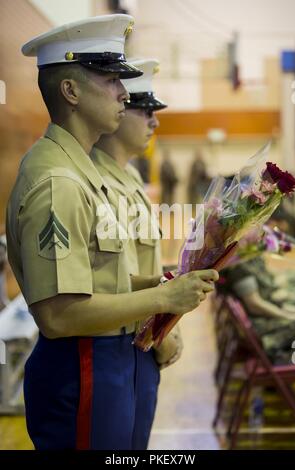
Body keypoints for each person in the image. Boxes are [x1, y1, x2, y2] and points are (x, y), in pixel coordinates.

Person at [6, 17, 218, 450]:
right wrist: (163, 299)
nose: (124, 91)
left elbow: (104, 276)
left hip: (108, 356)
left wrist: (163, 292)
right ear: (71, 92)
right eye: (110, 78)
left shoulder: (80, 172)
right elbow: (59, 315)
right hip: (84, 361)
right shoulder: (58, 181)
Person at [91, 59, 183, 448]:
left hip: (140, 342)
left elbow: (144, 267)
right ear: (120, 108)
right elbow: (116, 281)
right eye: (145, 108)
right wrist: (161, 335)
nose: (154, 121)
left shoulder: (129, 176)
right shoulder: (96, 183)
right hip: (118, 344)